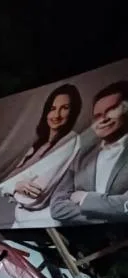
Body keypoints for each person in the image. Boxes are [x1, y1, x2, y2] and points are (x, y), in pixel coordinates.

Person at [0, 84, 82, 226]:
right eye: (52, 109)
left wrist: (13, 186)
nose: (57, 115)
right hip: (19, 222)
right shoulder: (37, 145)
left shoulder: (70, 140)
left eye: (65, 108)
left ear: (73, 111)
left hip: (44, 223)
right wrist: (16, 185)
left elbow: (33, 198)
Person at [51, 81, 128, 222]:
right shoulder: (80, 157)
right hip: (88, 241)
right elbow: (57, 209)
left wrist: (84, 199)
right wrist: (110, 213)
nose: (103, 119)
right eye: (98, 116)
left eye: (111, 110)